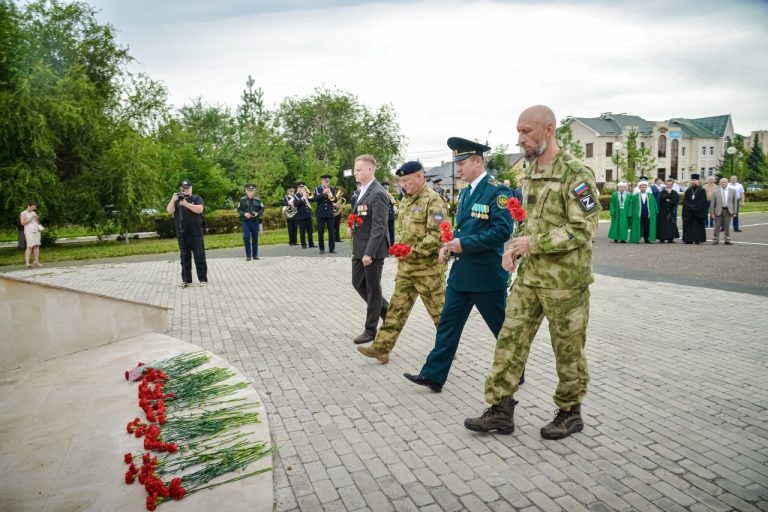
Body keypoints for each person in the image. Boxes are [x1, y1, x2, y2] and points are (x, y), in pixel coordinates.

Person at [464, 105, 599, 440]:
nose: (520, 137)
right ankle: (500, 409)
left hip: (565, 284)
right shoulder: (531, 172)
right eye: (519, 131)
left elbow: (583, 230)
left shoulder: (576, 173)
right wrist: (512, 248)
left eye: (527, 131)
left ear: (549, 130)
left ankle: (570, 412)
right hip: (530, 279)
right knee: (509, 341)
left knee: (567, 350)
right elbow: (527, 221)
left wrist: (532, 244)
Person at [403, 137, 513, 393]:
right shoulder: (465, 192)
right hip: (461, 275)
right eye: (456, 164)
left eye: (462, 163)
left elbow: (502, 231)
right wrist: (448, 247)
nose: (458, 169)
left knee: (503, 330)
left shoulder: (498, 191)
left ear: (477, 160)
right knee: (447, 327)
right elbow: (462, 230)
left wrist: (465, 245)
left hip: (486, 277)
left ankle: (516, 372)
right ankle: (433, 375)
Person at [357, 161, 446, 363]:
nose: (403, 184)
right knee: (395, 311)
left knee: (440, 315)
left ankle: (447, 349)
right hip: (406, 269)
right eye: (401, 181)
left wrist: (411, 251)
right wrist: (400, 249)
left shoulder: (434, 201)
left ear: (419, 176)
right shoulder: (406, 201)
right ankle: (381, 348)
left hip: (427, 271)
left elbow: (437, 235)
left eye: (406, 180)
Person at [350, 154, 391, 344]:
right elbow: (361, 217)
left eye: (358, 170)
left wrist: (369, 252)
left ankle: (370, 330)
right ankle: (389, 314)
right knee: (358, 283)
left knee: (373, 289)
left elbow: (379, 226)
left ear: (370, 170)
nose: (355, 173)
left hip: (372, 250)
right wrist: (353, 227)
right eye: (355, 170)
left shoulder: (378, 193)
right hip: (359, 247)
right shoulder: (361, 191)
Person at [166, 180, 208, 287]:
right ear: (181, 189)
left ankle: (202, 279)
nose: (186, 189)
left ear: (191, 188)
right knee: (184, 257)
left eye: (188, 187)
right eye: (184, 188)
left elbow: (199, 209)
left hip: (196, 233)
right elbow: (169, 210)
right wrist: (173, 199)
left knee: (199, 256)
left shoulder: (196, 198)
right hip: (182, 233)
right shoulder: (177, 200)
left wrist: (186, 204)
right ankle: (186, 279)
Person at [237, 184, 264, 260]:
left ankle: (255, 255)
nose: (250, 192)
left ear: (254, 191)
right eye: (249, 191)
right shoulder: (242, 200)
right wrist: (244, 214)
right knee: (246, 237)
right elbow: (239, 209)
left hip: (255, 221)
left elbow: (262, 209)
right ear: (246, 191)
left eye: (252, 191)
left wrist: (257, 213)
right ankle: (248, 255)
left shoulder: (258, 200)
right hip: (246, 221)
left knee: (255, 238)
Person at [312, 174, 337, 254]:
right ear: (321, 181)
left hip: (330, 213)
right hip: (320, 214)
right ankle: (322, 249)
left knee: (332, 232)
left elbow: (334, 200)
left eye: (328, 180)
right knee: (320, 232)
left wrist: (331, 193)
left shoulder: (332, 189)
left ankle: (332, 248)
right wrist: (323, 193)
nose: (326, 181)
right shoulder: (317, 189)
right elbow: (315, 199)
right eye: (325, 180)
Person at [711, 178, 738, 245]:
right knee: (717, 226)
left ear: (727, 183)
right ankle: (715, 239)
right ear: (719, 183)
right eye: (722, 182)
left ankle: (727, 240)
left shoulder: (733, 191)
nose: (723, 183)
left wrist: (735, 212)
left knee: (727, 226)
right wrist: (712, 213)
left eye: (725, 182)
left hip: (728, 211)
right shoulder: (715, 192)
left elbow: (735, 202)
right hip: (718, 211)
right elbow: (712, 204)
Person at [682, 174, 707, 244]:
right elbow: (685, 201)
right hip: (689, 212)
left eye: (695, 180)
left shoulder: (702, 190)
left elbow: (702, 201)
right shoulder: (688, 190)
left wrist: (694, 207)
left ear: (698, 181)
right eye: (692, 180)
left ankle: (697, 239)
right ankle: (688, 239)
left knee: (697, 226)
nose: (693, 182)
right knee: (688, 226)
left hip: (698, 212)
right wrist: (690, 206)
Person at [20, 201, 43, 268]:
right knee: (29, 247)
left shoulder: (34, 212)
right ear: (29, 206)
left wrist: (40, 227)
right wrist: (31, 218)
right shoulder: (23, 213)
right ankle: (27, 263)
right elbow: (22, 223)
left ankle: (37, 262)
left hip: (36, 230)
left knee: (37, 246)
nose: (33, 209)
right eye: (32, 207)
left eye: (34, 207)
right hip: (29, 231)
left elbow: (37, 222)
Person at [656, 178, 680, 243]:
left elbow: (674, 201)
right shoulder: (662, 192)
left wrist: (667, 199)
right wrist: (668, 196)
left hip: (671, 210)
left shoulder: (674, 192)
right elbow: (661, 200)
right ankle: (662, 238)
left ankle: (670, 238)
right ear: (665, 184)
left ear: (672, 185)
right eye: (667, 184)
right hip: (663, 210)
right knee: (662, 224)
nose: (669, 185)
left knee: (671, 224)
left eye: (670, 184)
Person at [293, 183, 315, 249]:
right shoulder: (295, 196)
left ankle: (311, 243)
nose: (302, 189)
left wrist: (308, 195)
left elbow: (312, 199)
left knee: (310, 230)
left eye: (303, 188)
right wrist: (302, 198)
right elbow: (296, 204)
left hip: (308, 214)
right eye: (300, 188)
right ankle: (303, 244)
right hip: (301, 215)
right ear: (298, 189)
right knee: (302, 231)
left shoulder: (306, 194)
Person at [381, 181, 397, 246]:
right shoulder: (381, 195)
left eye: (387, 186)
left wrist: (395, 208)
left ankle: (392, 245)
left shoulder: (390, 195)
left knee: (391, 232)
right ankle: (386, 246)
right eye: (385, 187)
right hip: (385, 216)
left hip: (391, 216)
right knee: (386, 232)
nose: (386, 188)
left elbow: (393, 203)